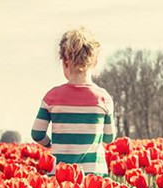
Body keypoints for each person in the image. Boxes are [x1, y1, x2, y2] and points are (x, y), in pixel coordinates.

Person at [31, 27, 115, 176]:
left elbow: (37, 133)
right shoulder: (103, 98)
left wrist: (51, 144)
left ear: (65, 62)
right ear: (95, 62)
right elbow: (109, 137)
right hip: (94, 174)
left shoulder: (52, 97)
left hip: (60, 175)